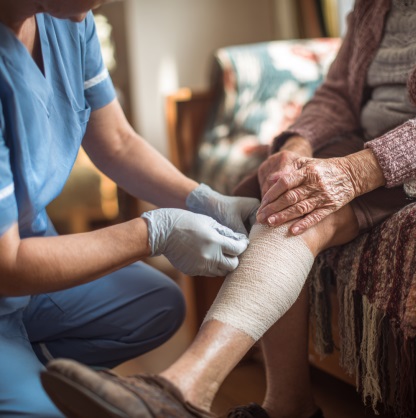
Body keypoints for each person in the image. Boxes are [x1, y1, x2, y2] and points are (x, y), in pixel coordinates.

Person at [40, 0, 416, 417]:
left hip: (404, 162)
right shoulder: (376, 6)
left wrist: (359, 170)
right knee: (273, 194)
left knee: (294, 214)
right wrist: (296, 146)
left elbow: (118, 143)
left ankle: (182, 390)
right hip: (363, 139)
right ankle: (288, 403)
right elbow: (338, 93)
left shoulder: (72, 24)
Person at [0, 0, 261, 416]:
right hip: (7, 272)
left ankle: (32, 368)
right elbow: (6, 264)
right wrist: (155, 232)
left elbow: (117, 141)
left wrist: (204, 200)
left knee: (160, 303)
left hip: (28, 273)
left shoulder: (70, 19)